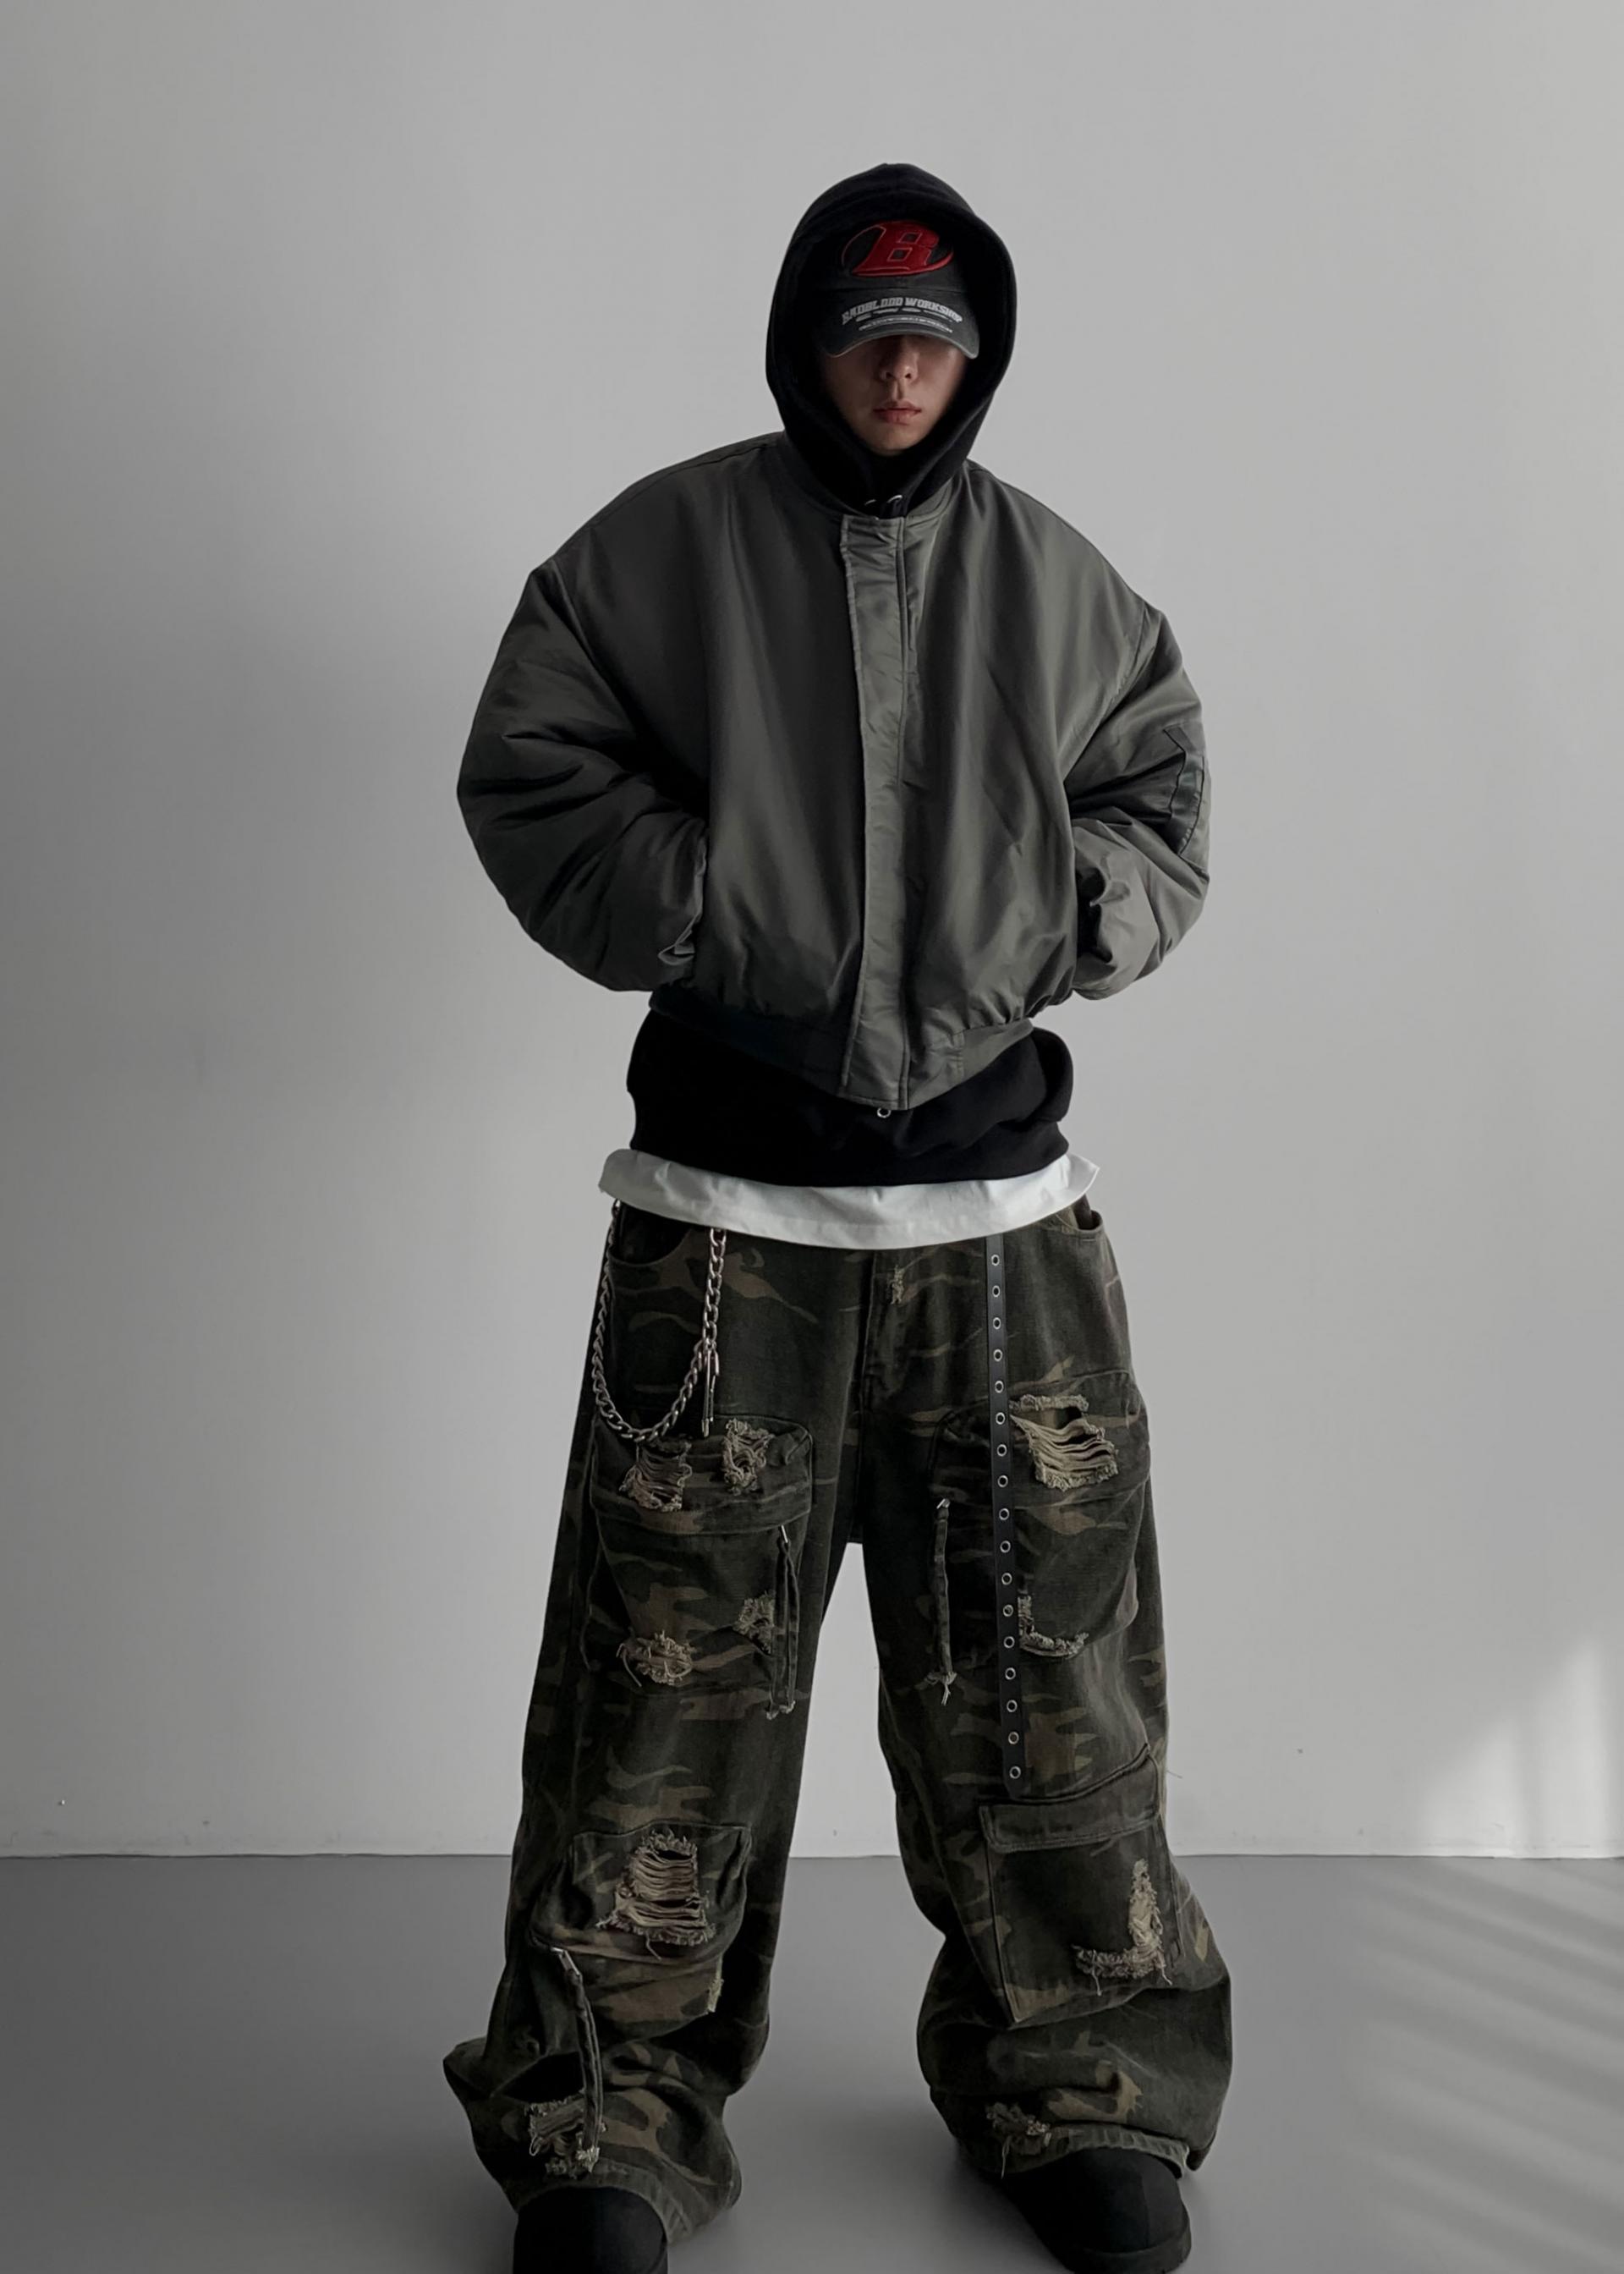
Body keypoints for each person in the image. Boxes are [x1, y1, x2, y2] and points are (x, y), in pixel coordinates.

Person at [442, 161, 1232, 2274]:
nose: (901, 374)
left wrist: (1056, 919)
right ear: (806, 340)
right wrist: (710, 907)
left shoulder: (1056, 580)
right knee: (661, 1704)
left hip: (1000, 1235)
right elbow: (531, 763)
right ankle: (604, 2120)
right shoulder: (660, 550)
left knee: (1047, 1691)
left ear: (980, 361)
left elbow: (1162, 793)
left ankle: (1088, 2091)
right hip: (726, 1232)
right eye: (871, 334)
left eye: (938, 344)